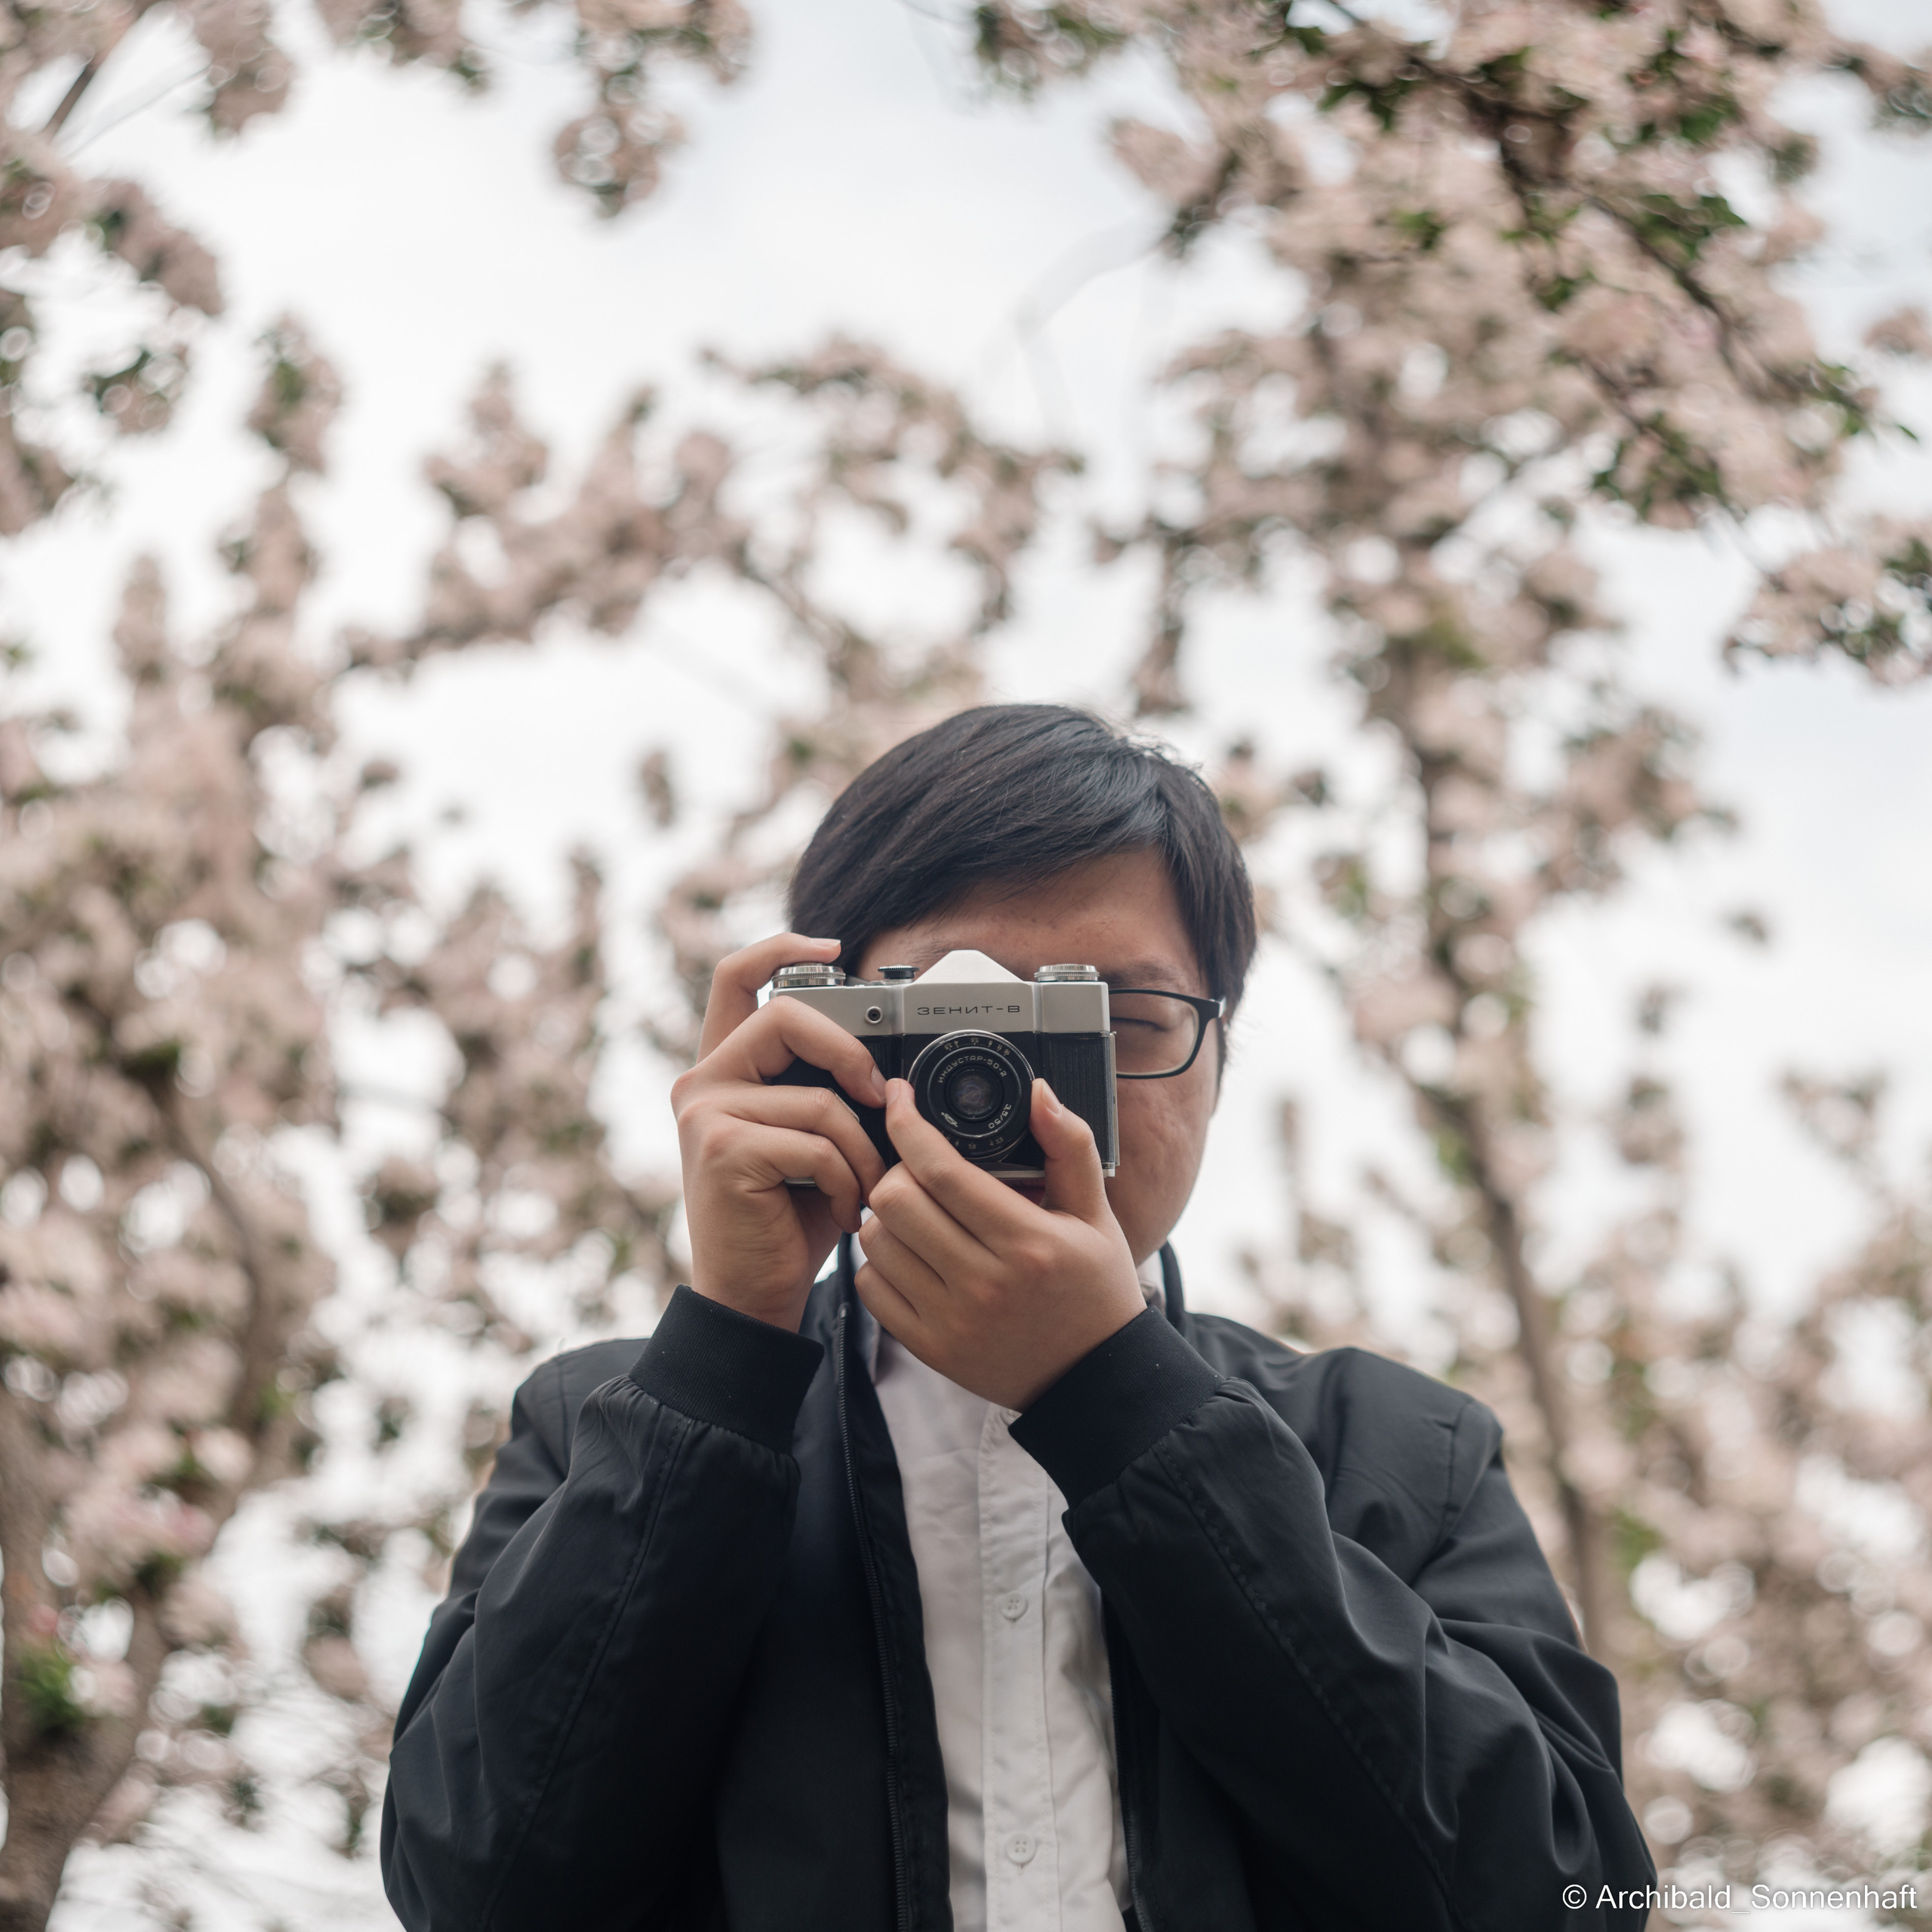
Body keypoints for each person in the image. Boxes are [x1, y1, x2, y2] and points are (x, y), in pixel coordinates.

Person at [381, 704, 1656, 1932]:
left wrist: (1120, 1402)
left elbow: (1557, 1894)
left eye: (1123, 1017)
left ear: (1220, 1059)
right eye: (959, 1019)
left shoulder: (1400, 1448)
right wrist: (728, 1344)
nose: (1037, 1088)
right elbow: (475, 1891)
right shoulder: (603, 1425)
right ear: (822, 1034)